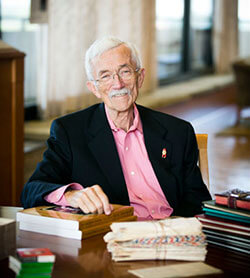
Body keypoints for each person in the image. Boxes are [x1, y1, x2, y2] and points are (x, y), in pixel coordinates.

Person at [21, 36, 211, 218]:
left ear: (140, 77)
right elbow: (31, 191)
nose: (118, 83)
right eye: (105, 76)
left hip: (172, 237)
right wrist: (72, 196)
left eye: (125, 71)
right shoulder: (70, 132)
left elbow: (197, 202)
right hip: (112, 238)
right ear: (94, 88)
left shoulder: (178, 132)